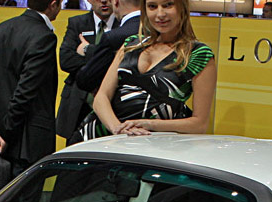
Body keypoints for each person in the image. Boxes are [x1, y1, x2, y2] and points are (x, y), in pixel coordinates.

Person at [77, 0, 214, 141]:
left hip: (150, 145)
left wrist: (148, 124)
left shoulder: (198, 54)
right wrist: (118, 129)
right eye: (152, 6)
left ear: (182, 7)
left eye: (168, 5)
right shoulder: (131, 44)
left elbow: (199, 124)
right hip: (96, 137)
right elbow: (101, 97)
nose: (160, 14)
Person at [0, 0, 61, 178]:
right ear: (53, 4)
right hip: (26, 143)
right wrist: (5, 134)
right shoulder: (44, 36)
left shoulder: (0, 29)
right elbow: (25, 91)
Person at [56, 0, 114, 141]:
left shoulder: (124, 25)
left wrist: (88, 50)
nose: (104, 1)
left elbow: (120, 62)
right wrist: (102, 61)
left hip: (111, 105)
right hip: (78, 104)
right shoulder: (77, 23)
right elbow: (66, 60)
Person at [75, 0, 140, 94]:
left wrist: (87, 49)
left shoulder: (113, 37)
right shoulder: (160, 32)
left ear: (116, 2)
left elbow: (85, 80)